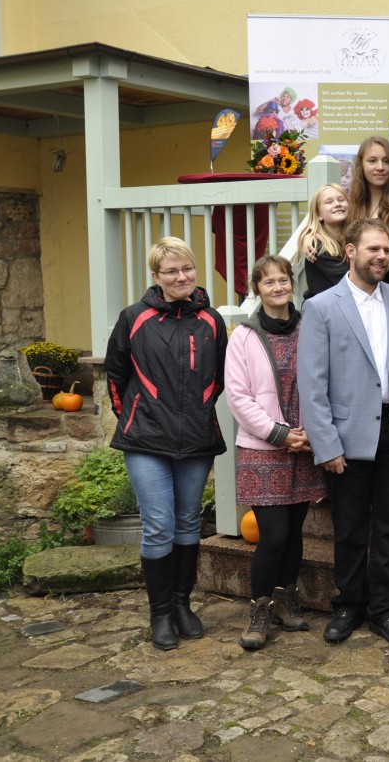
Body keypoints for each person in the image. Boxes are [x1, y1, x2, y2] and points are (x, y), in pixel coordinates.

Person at [298, 218, 389, 646]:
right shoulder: (321, 306)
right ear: (351, 252)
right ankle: (347, 606)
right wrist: (326, 443)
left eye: (387, 250)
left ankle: (384, 610)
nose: (382, 256)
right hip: (347, 434)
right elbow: (312, 383)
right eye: (373, 249)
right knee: (350, 527)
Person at [105, 236, 227, 651]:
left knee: (188, 522)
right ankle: (159, 613)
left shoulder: (211, 320)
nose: (182, 277)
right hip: (145, 439)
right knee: (158, 526)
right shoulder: (133, 318)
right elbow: (115, 376)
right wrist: (135, 415)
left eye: (187, 269)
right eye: (171, 271)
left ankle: (182, 605)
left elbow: (220, 378)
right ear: (156, 277)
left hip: (196, 438)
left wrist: (200, 408)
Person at [225, 255, 326, 650]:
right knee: (273, 535)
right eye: (268, 282)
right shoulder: (244, 337)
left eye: (283, 280)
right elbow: (238, 396)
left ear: (291, 284)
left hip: (306, 444)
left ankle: (287, 600)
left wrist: (311, 434)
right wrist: (279, 434)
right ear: (257, 289)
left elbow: (324, 381)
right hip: (263, 448)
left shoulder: (310, 329)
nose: (278, 287)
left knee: (296, 531)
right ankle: (260, 609)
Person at [346, 135, 389, 292]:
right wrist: (312, 235)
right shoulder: (351, 206)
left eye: (386, 161)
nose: (380, 167)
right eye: (372, 161)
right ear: (361, 165)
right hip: (360, 296)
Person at [295, 183, 349, 301]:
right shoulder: (318, 246)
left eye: (341, 199)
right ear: (319, 214)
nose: (337, 204)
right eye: (329, 202)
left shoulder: (353, 237)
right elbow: (350, 282)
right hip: (323, 313)